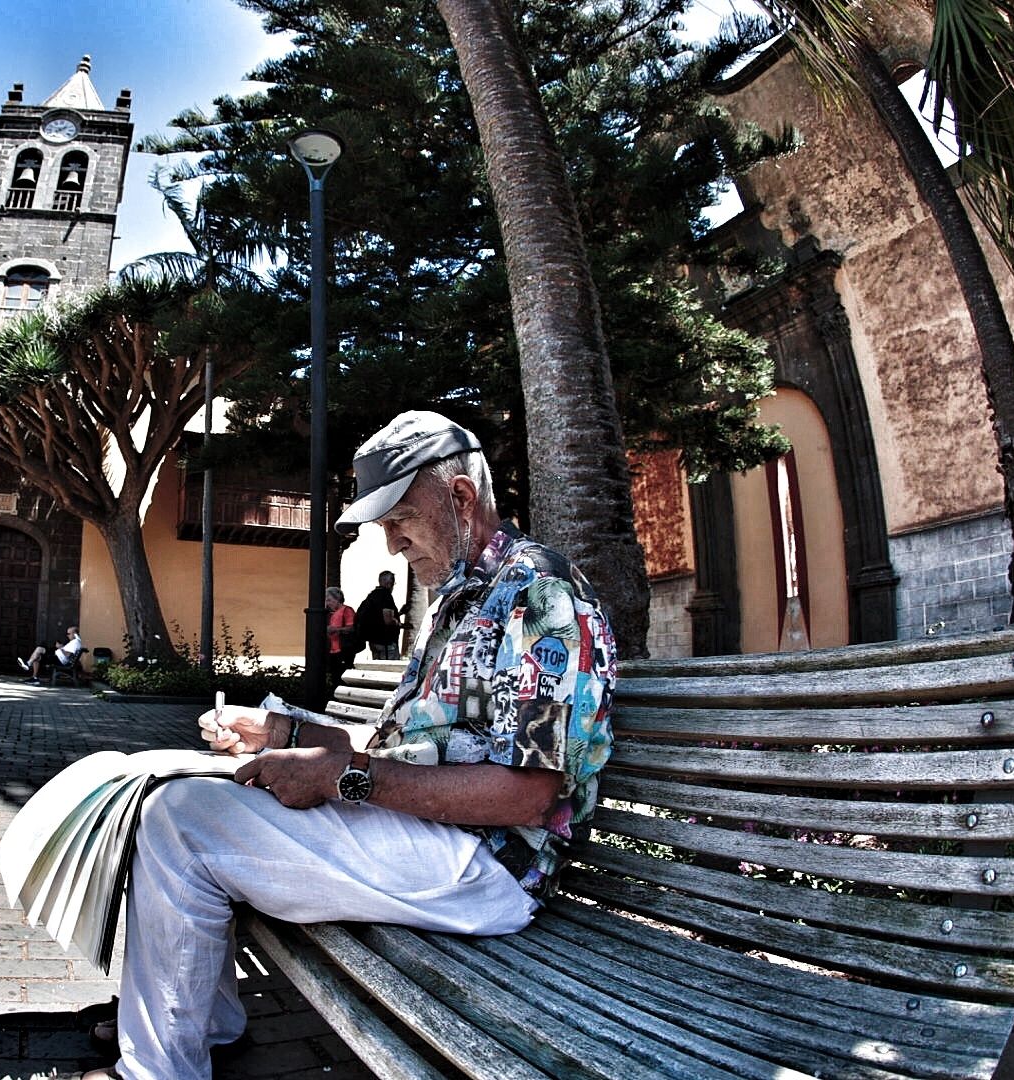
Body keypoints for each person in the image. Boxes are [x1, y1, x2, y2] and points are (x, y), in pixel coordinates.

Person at [75, 410, 617, 1080]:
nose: (391, 545)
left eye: (399, 520)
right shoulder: (460, 600)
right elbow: (403, 744)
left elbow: (529, 797)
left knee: (180, 823)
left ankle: (158, 1068)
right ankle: (201, 1023)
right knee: (183, 800)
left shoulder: (539, 597)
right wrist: (281, 733)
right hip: (435, 837)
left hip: (492, 867)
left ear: (460, 499)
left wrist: (343, 778)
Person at [356, 570, 402, 660]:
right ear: (389, 583)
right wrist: (397, 623)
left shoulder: (372, 595)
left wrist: (400, 613)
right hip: (386, 641)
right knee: (390, 670)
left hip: (373, 640)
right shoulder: (386, 596)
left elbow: (377, 615)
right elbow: (388, 620)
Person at [323, 586, 357, 682]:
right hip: (332, 650)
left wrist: (337, 630)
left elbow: (352, 628)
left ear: (337, 599)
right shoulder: (330, 613)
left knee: (342, 675)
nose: (328, 603)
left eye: (329, 600)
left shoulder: (347, 610)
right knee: (334, 676)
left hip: (343, 649)